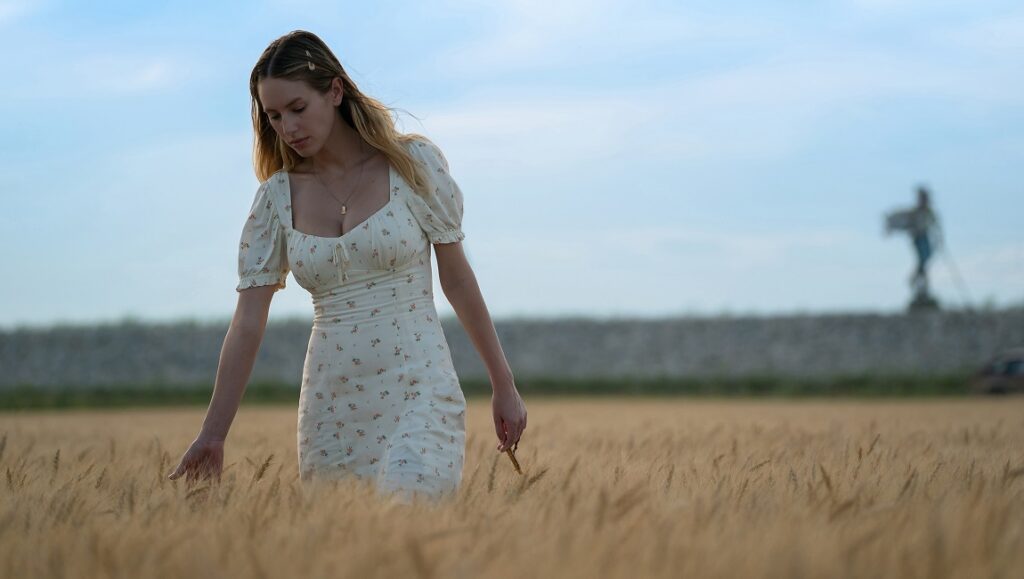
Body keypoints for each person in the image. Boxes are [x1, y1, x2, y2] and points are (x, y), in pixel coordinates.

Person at [167, 30, 527, 503]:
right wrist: (213, 434)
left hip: (419, 388)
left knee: (408, 521)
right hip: (330, 404)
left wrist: (504, 383)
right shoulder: (275, 201)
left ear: (334, 91)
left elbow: (457, 279)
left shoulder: (411, 166)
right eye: (274, 117)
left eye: (297, 108)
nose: (288, 127)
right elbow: (248, 324)